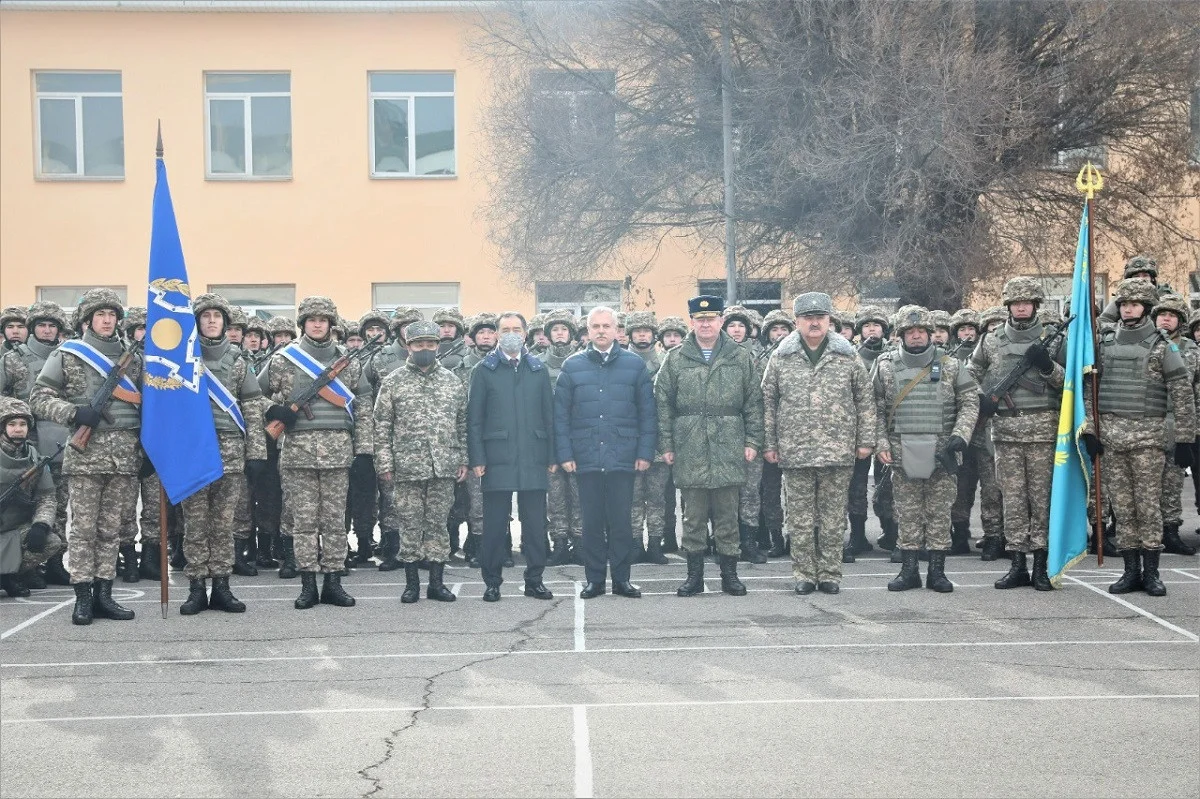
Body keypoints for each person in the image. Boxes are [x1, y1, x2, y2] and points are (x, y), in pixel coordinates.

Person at [31, 288, 142, 624]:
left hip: (124, 456)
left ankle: (105, 594)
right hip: (86, 454)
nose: (107, 321)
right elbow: (39, 397)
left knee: (112, 529)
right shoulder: (68, 354)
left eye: (112, 315)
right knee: (83, 529)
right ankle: (82, 595)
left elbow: (152, 406)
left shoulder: (133, 358)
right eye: (100, 315)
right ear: (87, 320)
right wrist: (73, 413)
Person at [1083, 279, 1196, 596]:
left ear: (1146, 307)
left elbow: (1182, 393)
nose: (1127, 308)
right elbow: (1089, 391)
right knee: (1123, 510)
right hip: (1112, 442)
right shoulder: (1104, 344)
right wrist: (1092, 430)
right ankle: (1131, 572)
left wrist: (1185, 439)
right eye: (1122, 303)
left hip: (1148, 442)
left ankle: (1152, 573)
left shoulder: (1162, 346)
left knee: (1148, 508)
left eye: (1133, 303)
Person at [261, 296, 373, 609]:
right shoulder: (285, 359)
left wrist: (364, 451)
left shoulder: (348, 361)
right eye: (312, 319)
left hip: (339, 453)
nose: (318, 324)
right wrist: (277, 410)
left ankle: (334, 583)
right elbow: (254, 397)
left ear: (331, 323)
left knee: (335, 521)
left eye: (323, 319)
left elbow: (363, 405)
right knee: (304, 522)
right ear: (303, 323)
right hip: (298, 452)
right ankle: (308, 584)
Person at [762, 292, 875, 595]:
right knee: (799, 518)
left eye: (820, 317)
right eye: (808, 317)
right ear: (796, 321)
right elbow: (768, 402)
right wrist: (770, 444)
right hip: (794, 450)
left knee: (833, 517)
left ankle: (830, 573)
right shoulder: (781, 357)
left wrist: (865, 441)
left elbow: (865, 400)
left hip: (836, 450)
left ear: (829, 321)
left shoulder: (847, 355)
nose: (814, 322)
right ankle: (803, 573)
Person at [656, 295, 764, 597]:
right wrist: (666, 443)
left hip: (728, 444)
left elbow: (754, 403)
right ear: (692, 322)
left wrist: (753, 440)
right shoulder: (676, 358)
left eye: (711, 318)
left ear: (720, 322)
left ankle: (730, 575)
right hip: (689, 445)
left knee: (728, 516)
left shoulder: (740, 357)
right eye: (700, 319)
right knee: (693, 517)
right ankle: (694, 576)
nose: (705, 324)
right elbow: (663, 404)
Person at [874, 306, 979, 593]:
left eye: (921, 331)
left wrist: (961, 435)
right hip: (900, 451)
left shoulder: (952, 364)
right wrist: (881, 443)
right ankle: (909, 572)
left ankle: (937, 573)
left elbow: (970, 401)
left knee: (939, 513)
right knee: (906, 513)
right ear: (901, 335)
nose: (917, 336)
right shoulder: (884, 365)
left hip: (942, 451)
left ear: (931, 334)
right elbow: (875, 410)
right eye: (910, 332)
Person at [554, 306, 657, 599]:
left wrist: (645, 452)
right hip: (585, 456)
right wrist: (565, 454)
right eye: (595, 326)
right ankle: (595, 580)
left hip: (623, 455)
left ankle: (622, 580)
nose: (600, 331)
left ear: (617, 331)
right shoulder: (572, 366)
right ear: (587, 331)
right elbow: (560, 416)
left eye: (606, 326)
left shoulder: (634, 365)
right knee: (591, 523)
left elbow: (647, 413)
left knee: (621, 522)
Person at [969, 277, 1064, 590]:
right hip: (1006, 433)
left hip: (1043, 433)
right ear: (1007, 305)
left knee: (1042, 501)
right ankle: (1017, 564)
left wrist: (1048, 367)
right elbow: (970, 377)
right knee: (1012, 500)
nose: (1021, 307)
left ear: (1036, 305)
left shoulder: (1054, 339)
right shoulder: (991, 339)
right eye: (1015, 302)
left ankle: (1040, 564)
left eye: (1027, 302)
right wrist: (982, 397)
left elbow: (1071, 385)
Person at [177, 294, 268, 615]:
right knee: (195, 524)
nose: (212, 320)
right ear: (197, 321)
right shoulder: (181, 358)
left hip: (230, 452)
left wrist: (256, 452)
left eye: (218, 316)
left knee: (223, 523)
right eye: (206, 316)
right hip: (193, 452)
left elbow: (253, 408)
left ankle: (222, 587)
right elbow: (169, 409)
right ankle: (196, 588)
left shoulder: (239, 361)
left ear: (226, 323)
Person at [373, 321, 467, 604]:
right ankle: (411, 584)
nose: (424, 349)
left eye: (430, 344)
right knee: (410, 524)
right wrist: (384, 464)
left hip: (443, 465)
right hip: (406, 467)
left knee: (438, 524)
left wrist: (463, 458)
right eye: (418, 344)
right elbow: (381, 426)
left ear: (438, 346)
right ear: (408, 346)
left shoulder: (452, 381)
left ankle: (436, 584)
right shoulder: (394, 381)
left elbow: (462, 424)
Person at [468, 312, 557, 601]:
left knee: (534, 525)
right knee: (494, 525)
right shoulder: (484, 370)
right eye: (505, 329)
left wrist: (552, 455)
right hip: (497, 456)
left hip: (533, 454)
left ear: (526, 333)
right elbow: (475, 420)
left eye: (516, 329)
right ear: (495, 334)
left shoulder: (537, 370)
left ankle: (535, 580)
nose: (510, 333)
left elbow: (549, 416)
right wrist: (477, 458)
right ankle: (492, 581)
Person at [0, 301, 71, 586]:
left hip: (61, 441)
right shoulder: (12, 359)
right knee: (19, 506)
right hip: (23, 441)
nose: (46, 330)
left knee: (58, 504)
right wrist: (18, 415)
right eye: (41, 325)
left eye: (52, 325)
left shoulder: (69, 356)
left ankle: (53, 562)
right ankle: (23, 569)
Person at [1149, 294, 1199, 556]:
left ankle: (1171, 531)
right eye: (1161, 314)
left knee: (1173, 481)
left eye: (1171, 315)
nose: (1165, 319)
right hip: (1149, 422)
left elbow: (1195, 393)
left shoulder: (1192, 350)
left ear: (1180, 321)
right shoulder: (1146, 345)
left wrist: (1190, 433)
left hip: (1177, 423)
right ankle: (1148, 534)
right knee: (1147, 483)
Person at [844, 305, 895, 559]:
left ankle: (892, 532)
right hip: (859, 428)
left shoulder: (895, 355)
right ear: (860, 330)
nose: (872, 330)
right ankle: (857, 535)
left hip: (888, 427)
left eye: (876, 325)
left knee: (890, 484)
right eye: (867, 326)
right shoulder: (851, 356)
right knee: (857, 484)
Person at [721, 304, 769, 564]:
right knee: (725, 493)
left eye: (741, 326)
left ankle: (749, 542)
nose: (737, 330)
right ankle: (727, 544)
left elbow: (763, 398)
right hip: (723, 435)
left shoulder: (762, 356)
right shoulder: (715, 354)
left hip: (751, 432)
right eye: (732, 326)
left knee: (751, 492)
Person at [539, 310, 584, 565]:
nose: (559, 334)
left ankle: (579, 542)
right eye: (555, 330)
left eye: (564, 330)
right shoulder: (537, 364)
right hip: (549, 439)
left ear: (572, 334)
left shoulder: (582, 362)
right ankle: (558, 543)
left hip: (578, 438)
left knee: (579, 495)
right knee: (555, 497)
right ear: (547, 335)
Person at [0, 397, 58, 598]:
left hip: (15, 529)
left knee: (51, 541)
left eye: (23, 424)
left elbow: (47, 497)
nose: (18, 429)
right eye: (12, 424)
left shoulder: (35, 458)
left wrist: (40, 525)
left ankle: (9, 576)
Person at [625, 311, 670, 565]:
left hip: (659, 441)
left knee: (656, 499)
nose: (642, 335)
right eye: (637, 331)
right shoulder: (620, 361)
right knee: (631, 499)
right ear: (630, 334)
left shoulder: (667, 361)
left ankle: (655, 543)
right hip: (630, 441)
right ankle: (633, 544)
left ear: (654, 335)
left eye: (647, 331)